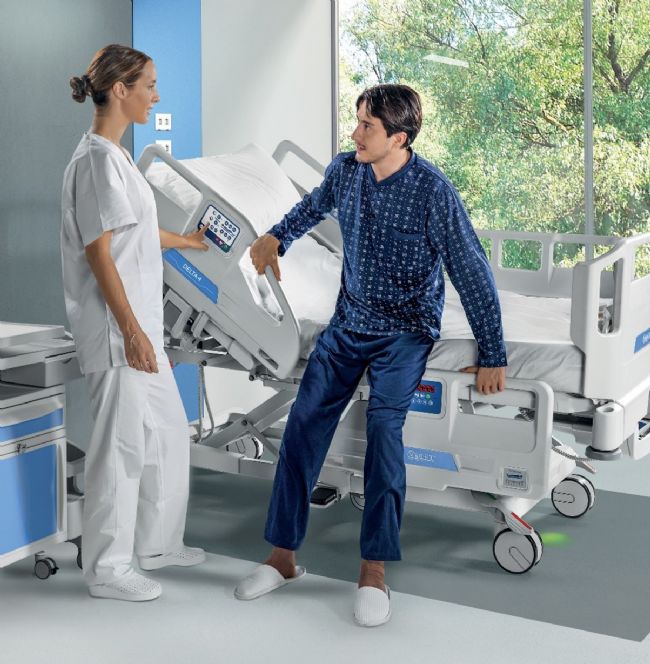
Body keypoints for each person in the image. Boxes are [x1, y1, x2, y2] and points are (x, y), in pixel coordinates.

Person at [234, 84, 507, 626]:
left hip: (405, 332)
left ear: (399, 138)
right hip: (349, 323)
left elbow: (470, 268)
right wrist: (275, 237)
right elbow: (312, 206)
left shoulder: (432, 192)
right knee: (303, 425)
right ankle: (282, 558)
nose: (355, 134)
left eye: (367, 127)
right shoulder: (346, 170)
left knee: (385, 431)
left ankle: (374, 571)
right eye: (356, 121)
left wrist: (493, 352)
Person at [61, 44, 207, 602]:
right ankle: (107, 569)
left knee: (167, 434)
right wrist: (132, 331)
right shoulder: (96, 162)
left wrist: (187, 241)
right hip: (117, 330)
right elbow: (99, 253)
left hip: (139, 325)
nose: (156, 95)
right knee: (119, 449)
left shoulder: (116, 157)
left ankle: (157, 545)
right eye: (148, 85)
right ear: (120, 90)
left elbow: (133, 231)